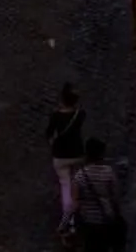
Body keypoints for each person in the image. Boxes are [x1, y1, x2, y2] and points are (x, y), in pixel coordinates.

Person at [71, 137, 126, 250]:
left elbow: (75, 202)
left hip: (88, 223)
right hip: (106, 221)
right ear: (101, 153)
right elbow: (115, 196)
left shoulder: (79, 176)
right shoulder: (108, 172)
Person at [46, 84, 87, 232]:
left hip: (60, 156)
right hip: (77, 154)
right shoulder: (80, 114)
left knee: (66, 186)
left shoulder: (55, 116)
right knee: (77, 183)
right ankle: (78, 214)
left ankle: (69, 220)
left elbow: (49, 134)